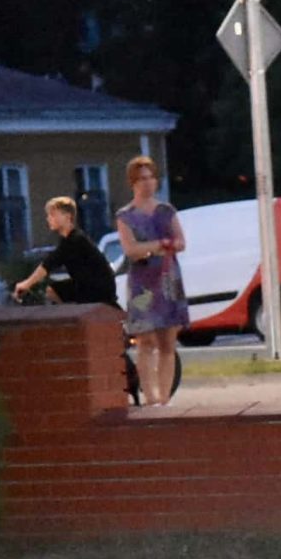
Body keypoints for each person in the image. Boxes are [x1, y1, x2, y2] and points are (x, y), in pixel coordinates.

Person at [115, 154, 188, 403]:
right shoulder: (125, 216)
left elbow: (180, 242)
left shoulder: (166, 211)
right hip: (142, 282)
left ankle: (165, 397)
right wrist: (159, 245)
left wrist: (163, 246)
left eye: (151, 178)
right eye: (141, 179)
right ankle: (151, 398)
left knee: (168, 341)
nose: (147, 183)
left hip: (168, 278)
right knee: (145, 341)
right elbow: (131, 250)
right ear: (132, 183)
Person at [14, 196, 116, 308]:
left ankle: (73, 319)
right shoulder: (68, 240)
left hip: (97, 289)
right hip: (90, 286)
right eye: (48, 215)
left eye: (53, 215)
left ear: (68, 217)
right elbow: (52, 261)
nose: (48, 219)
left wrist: (26, 284)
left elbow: (48, 264)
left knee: (52, 291)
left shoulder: (75, 239)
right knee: (52, 290)